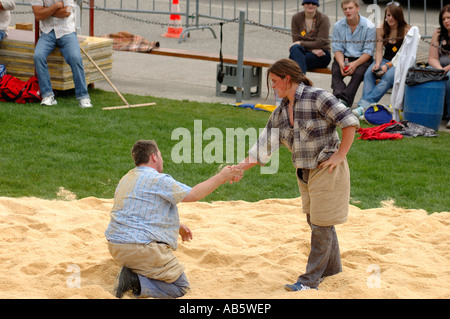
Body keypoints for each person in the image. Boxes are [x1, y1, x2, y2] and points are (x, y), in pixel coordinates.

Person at [234, 59, 360, 291]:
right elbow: (263, 147)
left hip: (326, 169)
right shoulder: (282, 111)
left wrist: (340, 155)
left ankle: (309, 281)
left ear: (287, 79)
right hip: (304, 173)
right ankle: (333, 270)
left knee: (321, 226)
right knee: (316, 222)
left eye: (274, 81)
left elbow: (349, 120)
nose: (272, 86)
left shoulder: (317, 97)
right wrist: (237, 168)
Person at [105, 139, 243, 298]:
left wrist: (176, 225)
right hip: (139, 248)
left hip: (115, 246)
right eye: (160, 155)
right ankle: (134, 280)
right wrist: (222, 176)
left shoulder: (126, 179)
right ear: (154, 157)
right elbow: (194, 195)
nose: (162, 159)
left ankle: (132, 274)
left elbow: (137, 212)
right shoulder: (158, 179)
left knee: (147, 263)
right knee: (180, 287)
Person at [353, 1, 410, 118]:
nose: (390, 18)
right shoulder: (382, 28)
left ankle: (363, 107)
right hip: (385, 59)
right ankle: (368, 108)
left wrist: (387, 66)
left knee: (387, 77)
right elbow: (379, 50)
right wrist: (378, 63)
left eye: (393, 15)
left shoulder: (406, 30)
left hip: (399, 62)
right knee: (369, 73)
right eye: (388, 15)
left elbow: (402, 55)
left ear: (399, 16)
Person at [31, 0, 92, 108]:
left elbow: (67, 12)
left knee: (75, 58)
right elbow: (38, 15)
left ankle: (83, 97)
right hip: (47, 32)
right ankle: (47, 95)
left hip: (67, 31)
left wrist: (46, 11)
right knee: (38, 56)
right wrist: (57, 6)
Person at [331, 0, 376, 108]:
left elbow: (368, 52)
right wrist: (342, 63)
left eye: (350, 8)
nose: (348, 11)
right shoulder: (338, 26)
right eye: (345, 9)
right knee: (336, 69)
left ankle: (343, 101)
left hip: (362, 59)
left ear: (357, 8)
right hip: (345, 57)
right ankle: (340, 99)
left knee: (359, 73)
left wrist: (354, 64)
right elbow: (337, 49)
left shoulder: (369, 26)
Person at [289, 0, 331, 74]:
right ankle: (302, 81)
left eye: (314, 3)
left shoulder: (323, 19)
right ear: (303, 4)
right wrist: (312, 50)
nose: (311, 5)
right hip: (303, 51)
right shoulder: (296, 18)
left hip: (321, 54)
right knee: (295, 50)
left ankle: (300, 82)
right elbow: (295, 41)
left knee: (294, 60)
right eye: (308, 3)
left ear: (317, 5)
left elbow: (320, 43)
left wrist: (300, 43)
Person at [428, 4, 450, 129]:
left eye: (449, 17)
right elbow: (432, 58)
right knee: (428, 72)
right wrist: (440, 69)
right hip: (440, 68)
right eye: (443, 19)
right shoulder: (437, 34)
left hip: (448, 70)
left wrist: (445, 70)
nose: (446, 21)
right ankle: (432, 112)